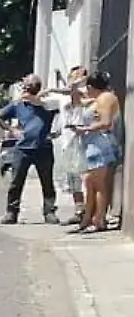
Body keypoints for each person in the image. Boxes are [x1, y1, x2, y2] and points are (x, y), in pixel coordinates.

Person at [0, 75, 58, 224]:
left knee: (47, 182)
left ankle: (49, 212)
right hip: (23, 148)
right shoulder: (18, 105)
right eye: (27, 86)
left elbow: (52, 106)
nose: (28, 88)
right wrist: (11, 130)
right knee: (16, 182)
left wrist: (36, 98)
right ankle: (11, 212)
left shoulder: (47, 103)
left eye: (31, 86)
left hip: (43, 147)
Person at [73, 71, 124, 234]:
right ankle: (88, 219)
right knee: (90, 182)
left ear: (90, 86)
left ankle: (98, 219)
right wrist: (74, 86)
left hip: (101, 144)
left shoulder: (105, 98)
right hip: (93, 144)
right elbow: (78, 102)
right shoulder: (100, 98)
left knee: (98, 184)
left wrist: (85, 129)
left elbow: (106, 123)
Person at [58, 66, 90, 224]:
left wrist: (79, 81)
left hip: (82, 139)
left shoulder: (84, 92)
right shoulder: (65, 96)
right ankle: (79, 209)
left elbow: (74, 91)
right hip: (68, 140)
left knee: (85, 176)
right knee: (73, 178)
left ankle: (89, 211)